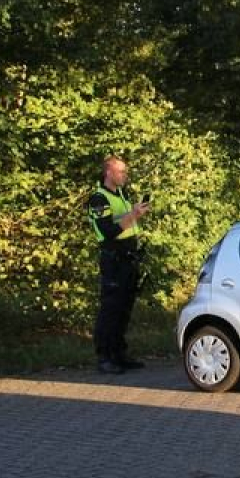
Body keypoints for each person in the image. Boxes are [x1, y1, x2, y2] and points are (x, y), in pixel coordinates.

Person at [86, 155, 151, 375]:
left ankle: (119, 354)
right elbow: (108, 231)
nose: (124, 175)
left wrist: (133, 212)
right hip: (114, 260)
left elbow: (119, 220)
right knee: (110, 309)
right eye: (120, 171)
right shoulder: (98, 198)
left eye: (125, 171)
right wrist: (133, 215)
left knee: (124, 308)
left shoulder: (120, 194)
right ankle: (104, 357)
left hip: (128, 259)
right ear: (108, 173)